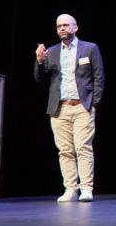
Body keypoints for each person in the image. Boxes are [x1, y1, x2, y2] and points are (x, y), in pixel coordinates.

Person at [33, 14, 104, 202]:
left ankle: (86, 188)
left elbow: (99, 77)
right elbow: (39, 78)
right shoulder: (53, 52)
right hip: (59, 108)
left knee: (83, 148)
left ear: (75, 27)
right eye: (59, 26)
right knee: (64, 150)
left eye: (66, 25)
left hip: (82, 106)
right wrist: (39, 61)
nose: (62, 28)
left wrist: (93, 103)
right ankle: (70, 189)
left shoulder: (89, 49)